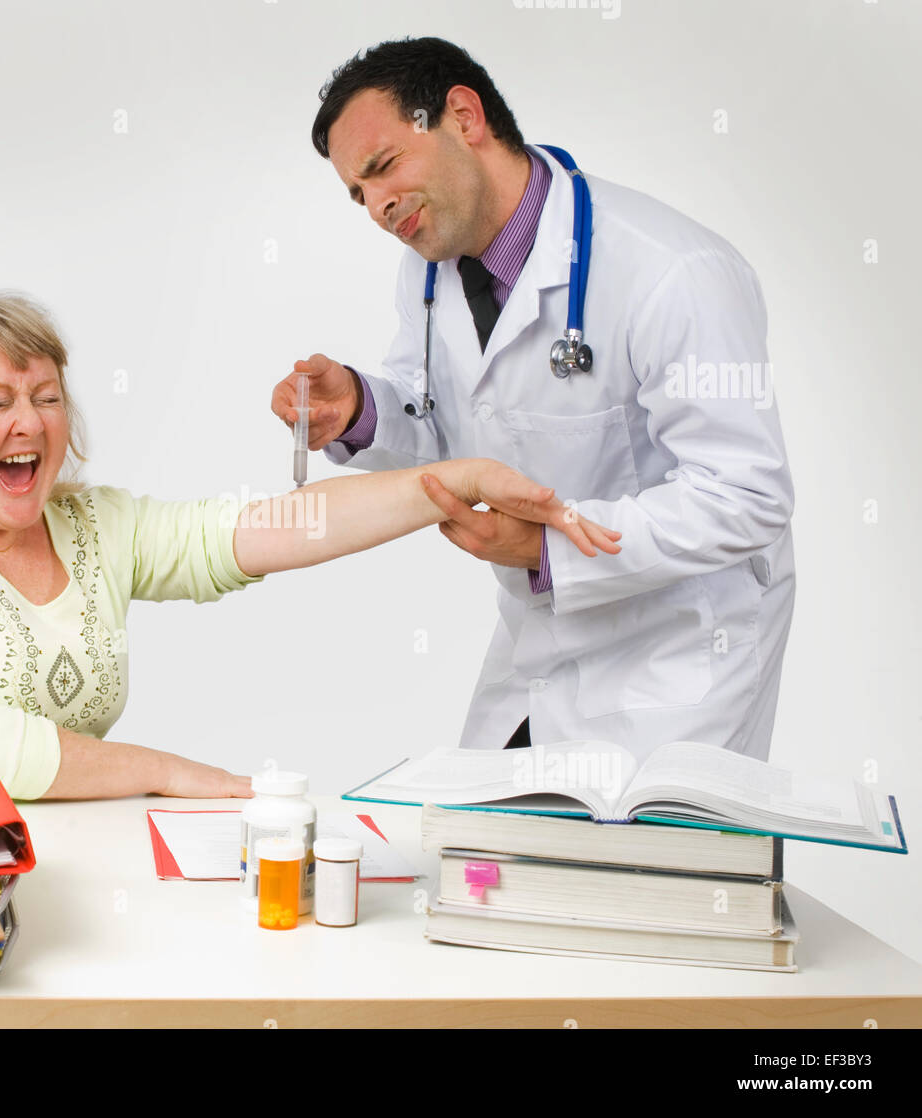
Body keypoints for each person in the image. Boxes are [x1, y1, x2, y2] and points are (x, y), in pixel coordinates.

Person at [0, 292, 619, 801]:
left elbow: (276, 528)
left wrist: (457, 474)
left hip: (53, 863)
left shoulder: (92, 526)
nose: (31, 421)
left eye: (47, 396)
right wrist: (168, 772)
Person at [271, 37, 795, 762]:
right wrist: (359, 408)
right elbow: (449, 426)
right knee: (477, 861)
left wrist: (551, 546)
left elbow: (745, 495)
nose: (377, 207)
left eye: (383, 167)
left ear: (463, 116)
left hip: (678, 667)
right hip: (536, 652)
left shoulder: (673, 272)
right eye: (358, 193)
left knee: (616, 878)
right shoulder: (429, 274)